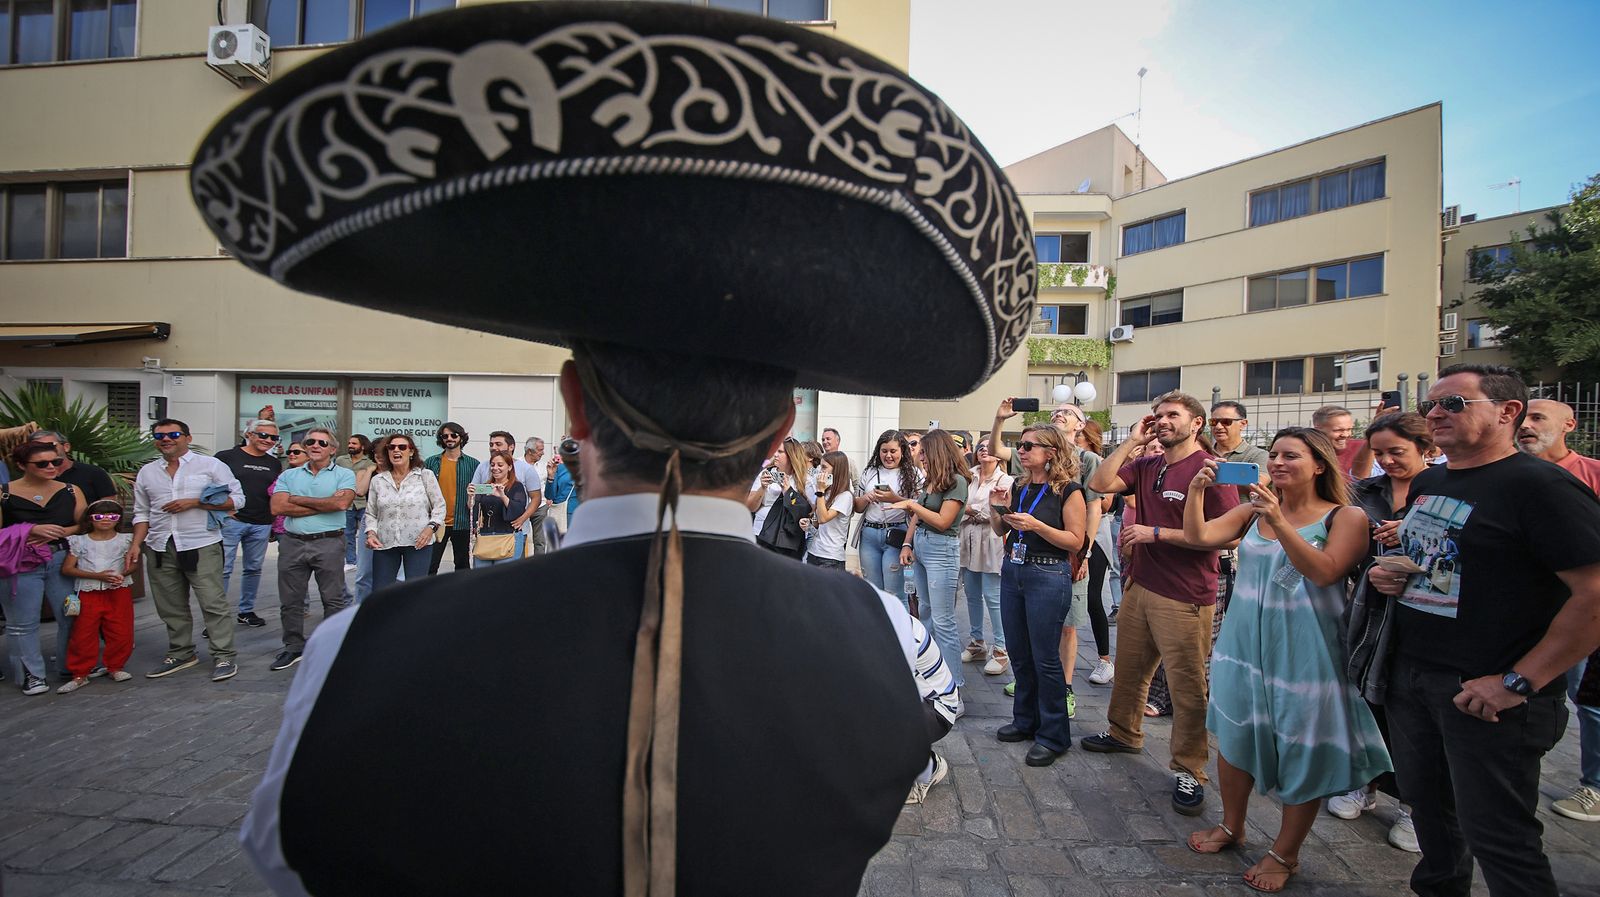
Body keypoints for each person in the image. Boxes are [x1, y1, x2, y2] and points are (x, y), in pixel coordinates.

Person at [199, 4, 1030, 891]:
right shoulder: (890, 638)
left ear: (574, 410)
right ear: (783, 430)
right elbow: (917, 737)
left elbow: (289, 859)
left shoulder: (358, 649)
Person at [1366, 364, 1600, 897]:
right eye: (1431, 406)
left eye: (1453, 404)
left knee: (1499, 837)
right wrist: (1395, 570)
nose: (1434, 414)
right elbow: (1437, 561)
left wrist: (1519, 682)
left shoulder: (1540, 487)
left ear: (1507, 412)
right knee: (1432, 820)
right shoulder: (1430, 480)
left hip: (1490, 694)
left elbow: (1594, 594)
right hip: (1415, 678)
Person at [1181, 428, 1392, 893]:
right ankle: (1232, 825)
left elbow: (1325, 572)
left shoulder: (1346, 516)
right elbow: (1200, 537)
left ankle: (1285, 852)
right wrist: (1197, 492)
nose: (1276, 463)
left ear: (1319, 464)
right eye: (1273, 454)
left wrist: (1279, 523)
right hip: (1242, 646)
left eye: (1289, 456)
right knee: (1234, 739)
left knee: (1303, 748)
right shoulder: (1254, 508)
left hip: (1305, 652)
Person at [1083, 391, 1241, 816]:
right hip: (1141, 586)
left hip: (1186, 594)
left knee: (1187, 686)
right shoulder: (1147, 463)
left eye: (1173, 414)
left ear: (1197, 424)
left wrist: (1157, 534)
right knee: (1131, 672)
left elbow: (1229, 534)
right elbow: (1098, 485)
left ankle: (1190, 769)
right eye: (1158, 415)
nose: (1163, 420)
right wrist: (1133, 442)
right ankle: (1124, 733)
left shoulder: (1210, 471)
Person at [1336, 411, 1433, 851]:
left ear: (1425, 449)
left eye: (1397, 451)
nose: (1388, 461)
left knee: (1414, 716)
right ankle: (1365, 783)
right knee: (1365, 700)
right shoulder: (1366, 492)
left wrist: (1409, 536)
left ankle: (1416, 807)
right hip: (1369, 609)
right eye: (1379, 453)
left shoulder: (1441, 493)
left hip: (1422, 616)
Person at [1517, 398, 1600, 823]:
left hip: (1580, 616)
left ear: (1569, 424)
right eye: (1523, 418)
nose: (1526, 426)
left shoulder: (1592, 474)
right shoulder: (1506, 474)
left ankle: (1596, 786)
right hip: (1522, 617)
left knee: (1590, 699)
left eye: (1537, 418)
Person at [991, 399, 1101, 715]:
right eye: (1021, 445)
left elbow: (1074, 538)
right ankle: (1023, 720)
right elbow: (1002, 528)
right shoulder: (1019, 484)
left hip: (1048, 572)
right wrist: (995, 509)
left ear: (1050, 453)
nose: (1022, 450)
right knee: (1020, 652)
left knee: (1045, 654)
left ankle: (1053, 730)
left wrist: (1037, 526)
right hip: (1015, 569)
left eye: (1029, 446)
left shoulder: (1069, 490)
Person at [127, 418, 245, 682]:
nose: (166, 439)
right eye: (159, 436)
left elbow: (238, 499)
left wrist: (195, 503)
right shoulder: (148, 471)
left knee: (213, 602)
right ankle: (181, 652)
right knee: (170, 605)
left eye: (173, 434)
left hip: (199, 542)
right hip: (159, 544)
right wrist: (136, 544)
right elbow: (141, 512)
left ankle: (224, 655)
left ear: (187, 438)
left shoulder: (211, 465)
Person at [1, 440, 86, 693]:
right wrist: (30, 530)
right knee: (22, 622)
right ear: (20, 465)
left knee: (70, 615)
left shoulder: (71, 490)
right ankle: (31, 675)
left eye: (56, 461)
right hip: (20, 561)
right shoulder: (5, 492)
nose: (51, 467)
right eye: (42, 463)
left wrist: (58, 531)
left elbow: (84, 525)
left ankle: (70, 666)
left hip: (61, 558)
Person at [268, 427, 355, 672]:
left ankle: (332, 647)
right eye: (311, 442)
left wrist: (295, 499)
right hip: (293, 542)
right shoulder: (289, 475)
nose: (316, 446)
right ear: (305, 446)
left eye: (322, 443)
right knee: (291, 599)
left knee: (333, 598)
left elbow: (341, 503)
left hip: (329, 542)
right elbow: (277, 508)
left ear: (332, 449)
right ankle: (293, 647)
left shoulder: (344, 474)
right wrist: (325, 504)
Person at [893, 430, 970, 687]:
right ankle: (931, 675)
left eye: (924, 451)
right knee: (925, 612)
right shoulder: (933, 480)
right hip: (924, 547)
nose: (919, 456)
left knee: (943, 620)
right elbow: (919, 516)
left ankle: (954, 687)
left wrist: (911, 504)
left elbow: (942, 521)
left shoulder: (957, 481)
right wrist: (907, 543)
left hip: (941, 549)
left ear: (937, 451)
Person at [57, 499, 137, 693]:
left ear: (118, 519)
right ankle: (80, 673)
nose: (105, 520)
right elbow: (67, 569)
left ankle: (116, 666)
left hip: (119, 591)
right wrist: (97, 576)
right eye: (99, 516)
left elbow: (133, 564)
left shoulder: (126, 539)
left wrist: (122, 575)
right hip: (88, 591)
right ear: (90, 519)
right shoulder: (80, 540)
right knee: (83, 633)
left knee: (121, 629)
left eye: (112, 516)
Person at [216, 420, 281, 628]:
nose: (268, 440)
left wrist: (272, 520)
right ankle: (217, 618)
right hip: (231, 522)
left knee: (253, 569)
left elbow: (274, 491)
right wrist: (225, 511)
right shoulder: (226, 457)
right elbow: (210, 486)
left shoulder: (274, 463)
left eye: (273, 438)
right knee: (223, 569)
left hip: (261, 523)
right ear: (250, 434)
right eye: (263, 435)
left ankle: (246, 611)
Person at [365, 434, 444, 592]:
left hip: (418, 541)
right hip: (385, 542)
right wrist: (371, 534)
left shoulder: (425, 476)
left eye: (402, 447)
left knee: (416, 590)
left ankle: (414, 617)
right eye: (391, 447)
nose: (396, 450)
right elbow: (371, 513)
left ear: (411, 451)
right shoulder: (378, 480)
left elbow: (440, 506)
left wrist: (430, 528)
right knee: (381, 591)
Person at [959, 437, 1012, 676]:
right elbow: (958, 505)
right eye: (981, 447)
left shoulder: (1006, 480)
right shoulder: (968, 476)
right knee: (971, 593)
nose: (984, 451)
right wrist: (973, 511)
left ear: (999, 454)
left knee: (993, 595)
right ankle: (977, 641)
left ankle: (1001, 649)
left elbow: (1001, 512)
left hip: (991, 541)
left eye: (989, 448)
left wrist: (973, 511)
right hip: (968, 539)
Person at [855, 430, 922, 610]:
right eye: (884, 451)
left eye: (893, 451)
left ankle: (900, 635)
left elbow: (920, 509)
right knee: (872, 592)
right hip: (869, 533)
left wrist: (894, 499)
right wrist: (867, 497)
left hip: (897, 534)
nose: (888, 455)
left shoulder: (914, 474)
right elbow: (857, 507)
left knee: (894, 594)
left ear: (902, 451)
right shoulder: (869, 472)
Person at [1076, 421, 1115, 687]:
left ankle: (1104, 660)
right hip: (1068, 535)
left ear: (1089, 439)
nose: (1073, 438)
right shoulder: (1061, 463)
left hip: (1095, 538)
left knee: (1092, 598)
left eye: (1078, 434)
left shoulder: (1097, 463)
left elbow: (1106, 502)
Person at [469, 431, 544, 560]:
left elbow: (536, 498)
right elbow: (475, 498)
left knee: (511, 574)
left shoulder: (526, 469)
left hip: (513, 531)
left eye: (498, 444)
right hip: (487, 533)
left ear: (511, 447)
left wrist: (523, 519)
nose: (493, 447)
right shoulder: (483, 466)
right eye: (491, 444)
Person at [424, 422, 479, 574]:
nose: (449, 438)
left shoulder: (473, 464)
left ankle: (461, 596)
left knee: (462, 566)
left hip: (462, 521)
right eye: (445, 436)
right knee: (429, 564)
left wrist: (476, 522)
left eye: (453, 435)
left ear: (461, 438)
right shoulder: (431, 462)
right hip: (436, 521)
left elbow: (479, 495)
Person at [755, 437, 813, 558]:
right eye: (775, 451)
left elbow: (810, 510)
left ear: (791, 455)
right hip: (762, 534)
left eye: (780, 452)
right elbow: (751, 506)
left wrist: (788, 491)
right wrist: (762, 487)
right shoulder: (766, 473)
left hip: (788, 540)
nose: (775, 455)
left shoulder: (805, 480)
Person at [471, 451, 529, 568]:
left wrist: (502, 496)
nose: (495, 468)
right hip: (486, 537)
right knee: (481, 579)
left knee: (505, 580)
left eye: (500, 465)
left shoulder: (516, 486)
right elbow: (473, 509)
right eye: (492, 465)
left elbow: (518, 510)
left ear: (509, 467)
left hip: (507, 536)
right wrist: (470, 495)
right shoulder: (486, 487)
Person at [29, 429, 117, 503]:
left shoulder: (94, 473)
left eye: (50, 445)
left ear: (66, 447)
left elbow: (108, 505)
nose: (45, 450)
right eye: (38, 447)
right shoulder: (32, 476)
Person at [803, 451, 853, 569]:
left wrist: (820, 491)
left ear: (837, 470)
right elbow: (818, 524)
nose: (821, 471)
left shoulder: (845, 496)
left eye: (824, 467)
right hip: (814, 551)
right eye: (820, 466)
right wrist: (808, 525)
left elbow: (823, 518)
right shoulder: (826, 492)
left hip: (831, 558)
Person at [337, 434, 376, 570]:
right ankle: (351, 562)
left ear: (362, 446)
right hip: (347, 503)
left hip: (363, 503)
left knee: (368, 532)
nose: (350, 446)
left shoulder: (370, 462)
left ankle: (367, 561)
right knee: (348, 533)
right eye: (349, 443)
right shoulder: (341, 460)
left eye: (354, 443)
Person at [1312, 404, 1374, 481]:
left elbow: (1362, 479)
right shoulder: (1307, 452)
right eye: (1338, 430)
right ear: (1318, 430)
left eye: (1349, 429)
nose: (1345, 435)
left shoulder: (1364, 448)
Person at [523, 437, 552, 555]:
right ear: (530, 451)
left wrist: (550, 498)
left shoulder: (544, 466)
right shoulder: (517, 464)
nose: (543, 453)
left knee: (540, 541)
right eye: (540, 450)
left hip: (540, 507)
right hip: (522, 508)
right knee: (521, 539)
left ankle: (538, 568)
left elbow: (550, 484)